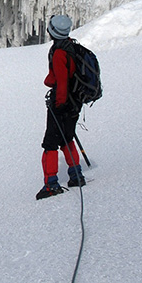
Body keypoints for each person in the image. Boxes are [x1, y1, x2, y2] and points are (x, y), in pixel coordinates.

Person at [36, 14, 87, 200]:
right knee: (67, 137)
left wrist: (58, 104)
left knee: (50, 143)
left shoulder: (59, 53)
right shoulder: (71, 47)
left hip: (63, 102)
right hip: (75, 102)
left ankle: (51, 184)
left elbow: (62, 80)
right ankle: (76, 175)